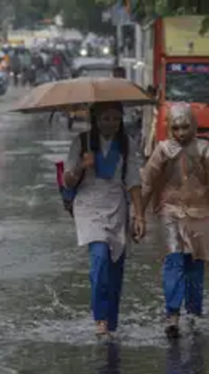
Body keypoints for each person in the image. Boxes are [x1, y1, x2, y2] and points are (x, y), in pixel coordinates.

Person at [140, 103, 209, 338]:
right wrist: (138, 214)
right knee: (174, 260)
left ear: (193, 125)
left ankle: (194, 313)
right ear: (169, 128)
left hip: (199, 212)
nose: (181, 133)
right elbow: (147, 182)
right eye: (176, 128)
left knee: (196, 265)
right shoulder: (163, 150)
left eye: (185, 127)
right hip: (170, 212)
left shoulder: (204, 149)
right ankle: (173, 314)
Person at [62, 102, 144, 337]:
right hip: (88, 206)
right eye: (105, 118)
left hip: (117, 205)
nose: (110, 123)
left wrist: (139, 215)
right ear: (95, 119)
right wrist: (81, 165)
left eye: (115, 119)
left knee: (116, 264)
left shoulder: (126, 144)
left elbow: (133, 182)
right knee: (99, 259)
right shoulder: (82, 142)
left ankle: (112, 322)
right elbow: (68, 181)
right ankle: (100, 319)